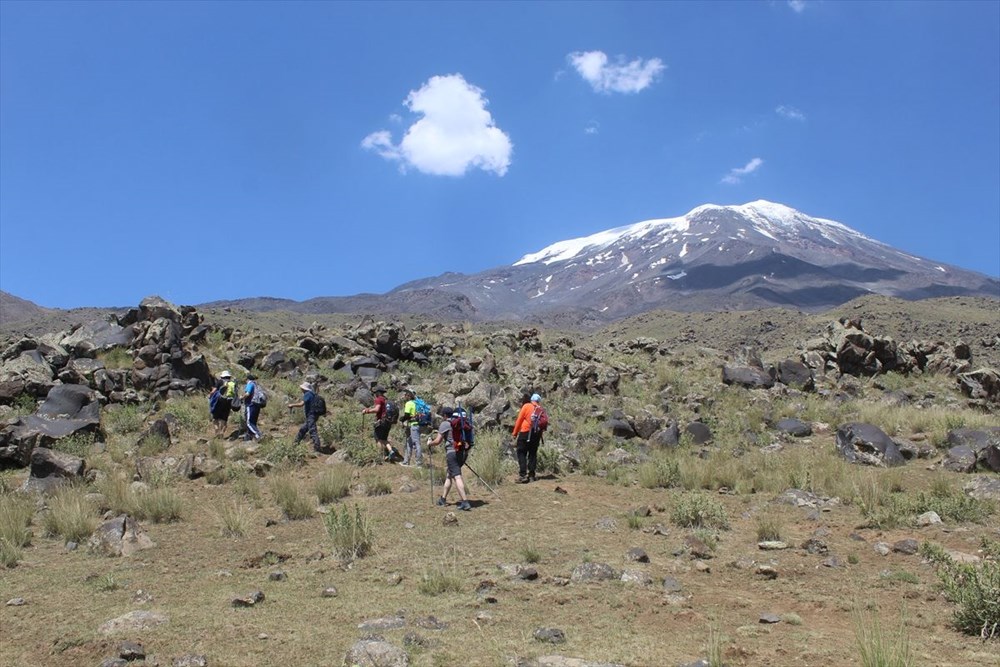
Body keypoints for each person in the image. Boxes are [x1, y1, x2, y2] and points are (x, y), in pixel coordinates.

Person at [427, 406, 471, 510]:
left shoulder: (445, 424)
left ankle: (465, 502)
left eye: (442, 415)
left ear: (445, 415)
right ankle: (443, 499)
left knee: (457, 476)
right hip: (462, 453)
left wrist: (430, 443)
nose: (442, 417)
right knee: (449, 475)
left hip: (452, 453)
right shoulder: (460, 424)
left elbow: (438, 441)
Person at [512, 392, 544, 483]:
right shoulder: (540, 409)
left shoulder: (526, 406)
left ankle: (523, 475)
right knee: (533, 454)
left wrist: (514, 433)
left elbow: (519, 420)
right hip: (536, 434)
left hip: (525, 432)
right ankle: (532, 475)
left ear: (531, 400)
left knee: (521, 452)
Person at [288, 381, 326, 453]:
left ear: (304, 389)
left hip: (311, 415)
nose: (301, 389)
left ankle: (317, 447)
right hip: (314, 415)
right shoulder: (312, 393)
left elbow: (301, 404)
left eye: (302, 388)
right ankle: (295, 444)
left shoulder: (307, 394)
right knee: (303, 429)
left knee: (312, 430)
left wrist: (292, 405)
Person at [361, 386, 396, 461]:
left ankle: (380, 456)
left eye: (375, 392)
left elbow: (377, 409)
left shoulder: (379, 399)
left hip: (381, 422)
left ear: (378, 392)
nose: (375, 394)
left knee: (378, 439)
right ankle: (391, 451)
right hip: (388, 422)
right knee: (384, 438)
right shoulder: (385, 399)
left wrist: (367, 411)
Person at [210, 370, 239, 437]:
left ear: (222, 376)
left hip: (219, 401)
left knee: (215, 418)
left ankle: (217, 431)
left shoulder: (220, 381)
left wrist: (210, 396)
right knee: (224, 418)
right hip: (228, 402)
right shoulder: (232, 383)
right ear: (229, 376)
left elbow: (213, 391)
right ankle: (222, 432)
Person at [399, 389, 423, 466]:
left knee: (416, 443)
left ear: (409, 396)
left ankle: (418, 463)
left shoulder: (409, 403)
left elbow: (407, 415)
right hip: (417, 425)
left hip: (413, 425)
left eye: (406, 394)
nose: (405, 396)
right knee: (409, 442)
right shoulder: (416, 403)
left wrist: (401, 419)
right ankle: (406, 461)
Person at [243, 374, 262, 441]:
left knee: (249, 422)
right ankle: (250, 436)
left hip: (251, 404)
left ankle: (258, 435)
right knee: (253, 422)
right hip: (258, 405)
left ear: (247, 379)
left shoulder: (250, 384)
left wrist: (241, 397)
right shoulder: (257, 385)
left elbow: (247, 394)